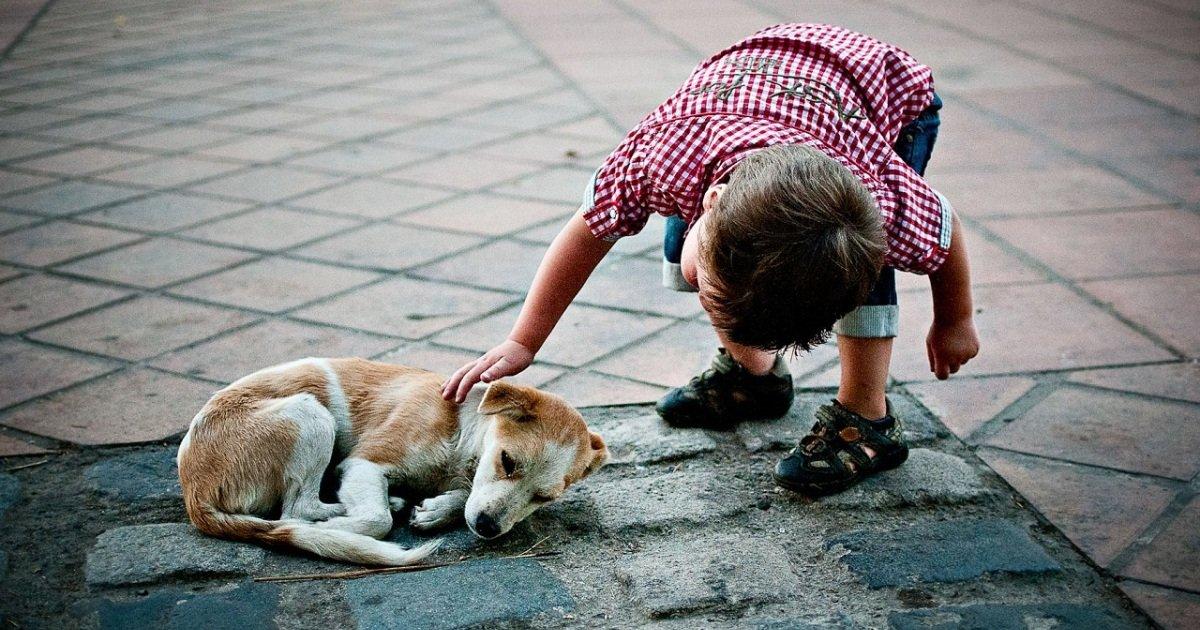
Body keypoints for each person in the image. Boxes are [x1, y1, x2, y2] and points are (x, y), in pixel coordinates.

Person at [442, 23, 979, 496]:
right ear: (711, 201)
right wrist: (523, 340)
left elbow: (944, 226)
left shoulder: (880, 197)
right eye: (712, 299)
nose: (711, 308)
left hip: (890, 101)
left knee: (857, 262)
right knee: (684, 251)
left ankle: (868, 419)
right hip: (759, 88)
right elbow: (587, 231)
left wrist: (955, 320)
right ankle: (755, 380)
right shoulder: (657, 158)